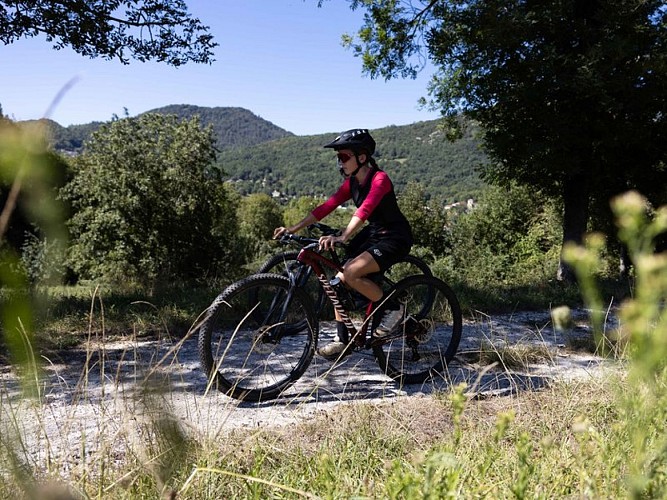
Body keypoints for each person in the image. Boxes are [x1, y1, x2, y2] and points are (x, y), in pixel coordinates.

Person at [273, 128, 413, 360]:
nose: (340, 162)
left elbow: (364, 209)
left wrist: (343, 236)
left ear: (362, 157)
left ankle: (394, 307)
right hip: (374, 234)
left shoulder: (380, 179)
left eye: (344, 157)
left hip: (394, 236)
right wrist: (292, 228)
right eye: (338, 157)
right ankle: (341, 340)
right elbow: (326, 207)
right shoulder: (352, 184)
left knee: (351, 271)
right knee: (338, 280)